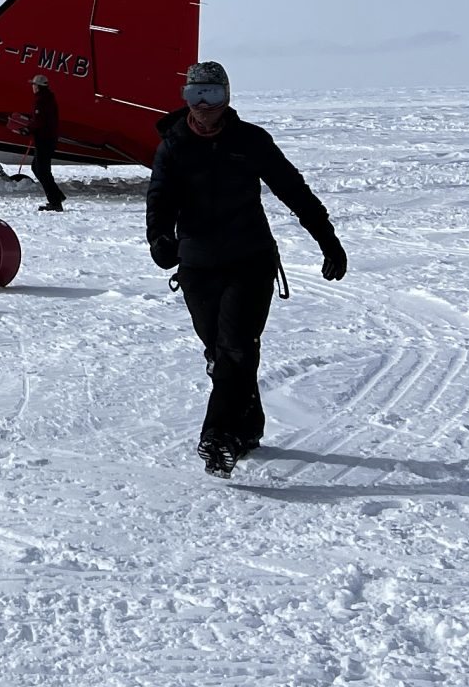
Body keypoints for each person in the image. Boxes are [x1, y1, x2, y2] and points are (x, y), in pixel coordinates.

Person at [145, 60, 348, 479]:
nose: (202, 106)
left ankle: (218, 436)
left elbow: (294, 190)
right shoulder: (174, 145)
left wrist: (328, 240)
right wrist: (160, 237)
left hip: (250, 260)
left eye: (212, 95)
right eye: (194, 95)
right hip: (198, 264)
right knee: (221, 353)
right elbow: (160, 198)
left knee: (236, 345)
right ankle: (247, 428)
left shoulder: (251, 141)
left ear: (227, 97)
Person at [27, 73, 66, 210]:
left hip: (44, 139)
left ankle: (55, 202)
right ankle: (57, 195)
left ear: (37, 86)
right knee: (37, 167)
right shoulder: (48, 98)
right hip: (47, 139)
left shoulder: (41, 100)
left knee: (42, 170)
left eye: (33, 84)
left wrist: (28, 128)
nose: (32, 87)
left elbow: (40, 122)